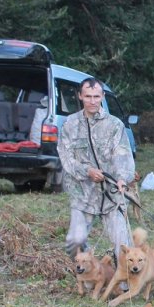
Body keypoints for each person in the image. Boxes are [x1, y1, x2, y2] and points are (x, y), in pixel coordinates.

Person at [58, 77, 135, 260]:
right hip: (83, 194)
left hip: (111, 193)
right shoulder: (69, 124)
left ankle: (126, 285)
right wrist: (87, 171)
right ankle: (88, 273)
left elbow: (122, 153)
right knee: (75, 240)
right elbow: (66, 157)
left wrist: (123, 178)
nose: (92, 101)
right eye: (88, 96)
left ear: (102, 97)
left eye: (96, 96)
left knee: (123, 244)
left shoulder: (114, 125)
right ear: (80, 96)